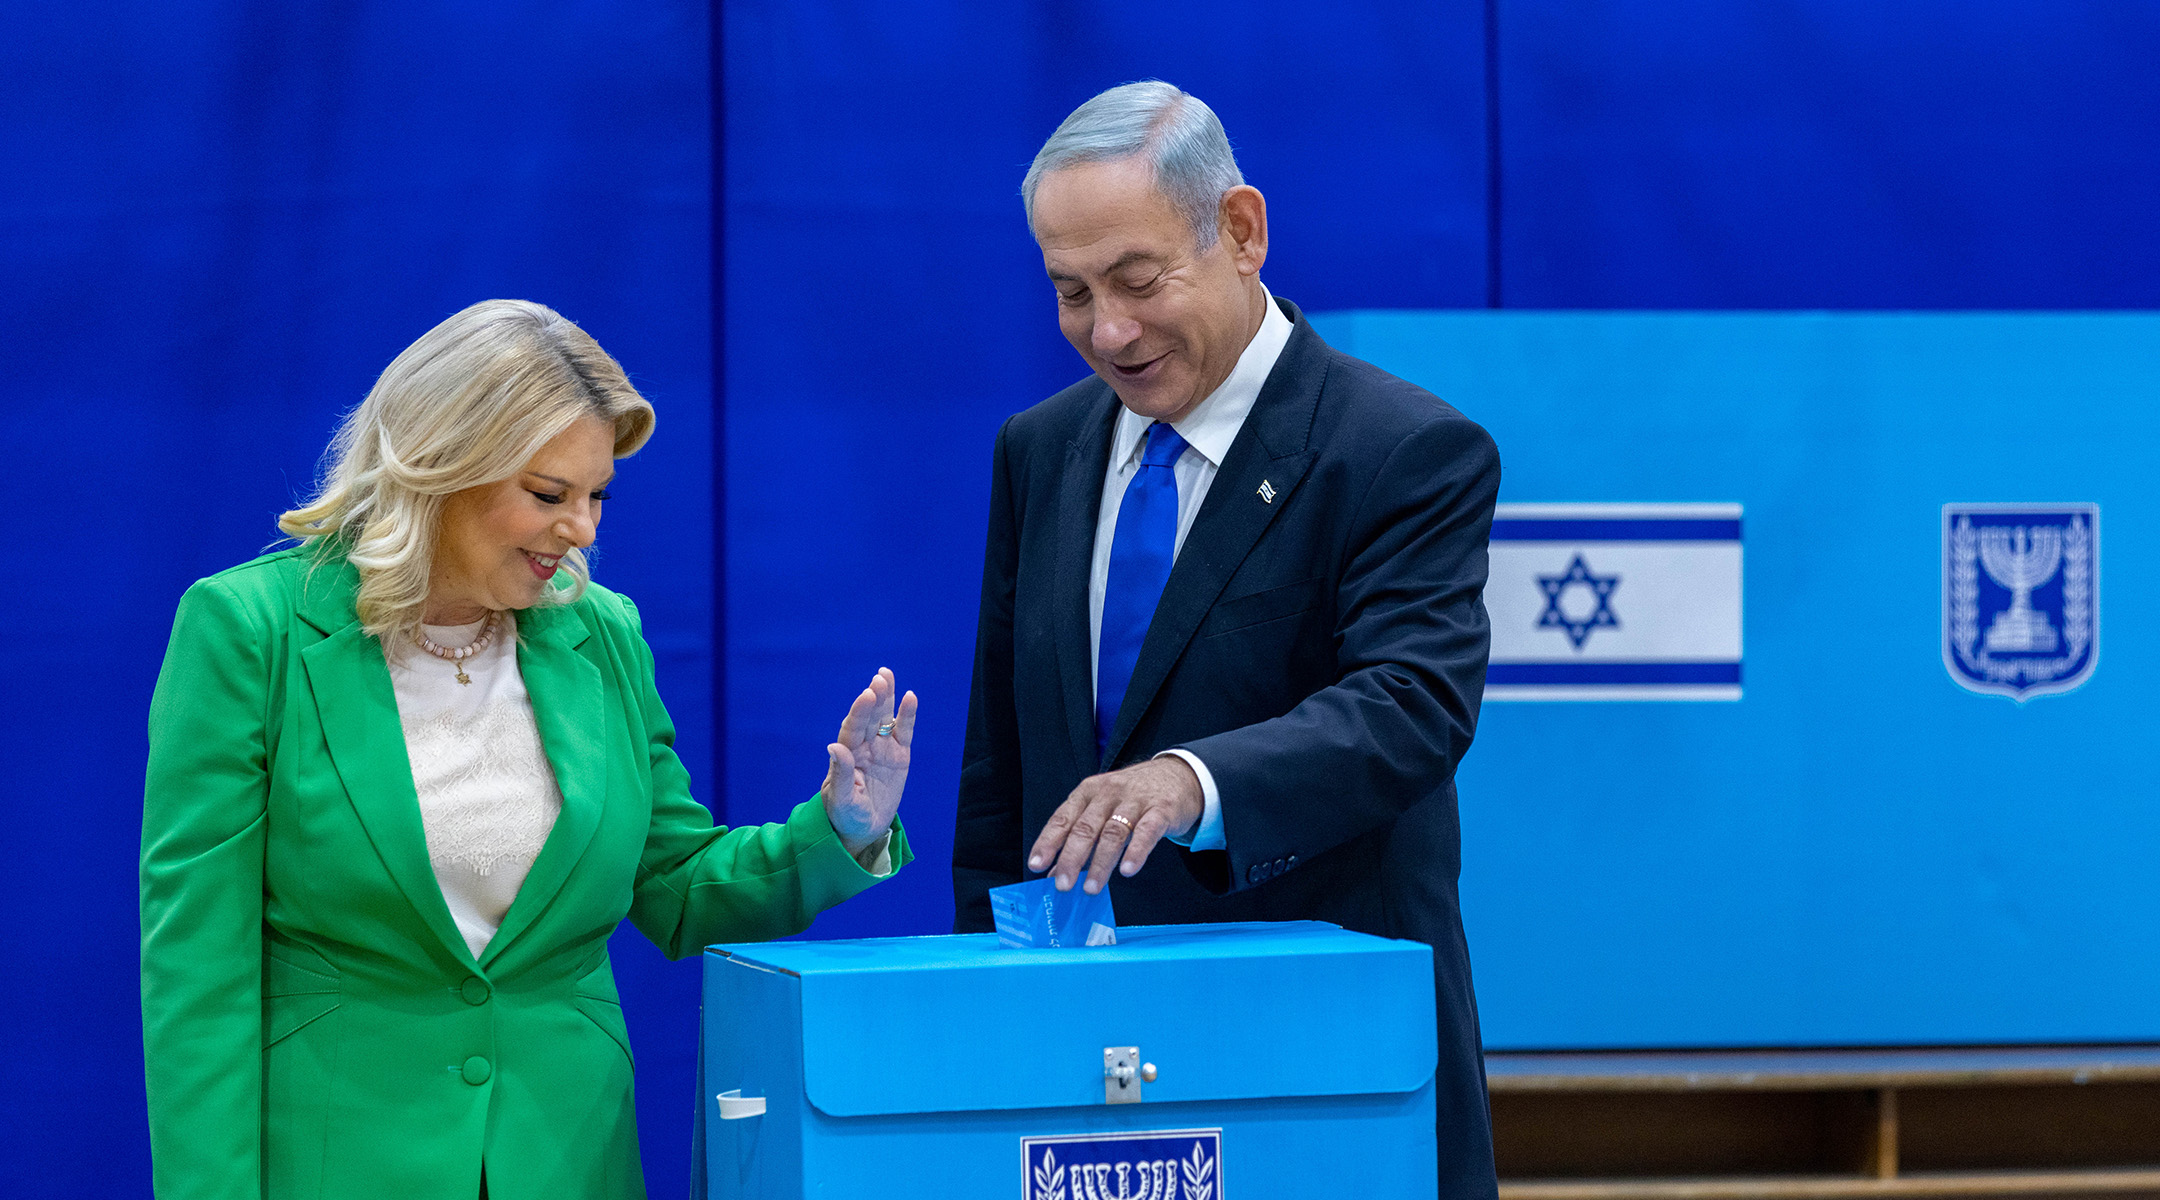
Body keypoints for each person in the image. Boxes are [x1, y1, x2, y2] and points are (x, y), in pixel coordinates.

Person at [141, 299, 917, 1199]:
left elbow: (672, 886)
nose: (583, 529)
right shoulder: (250, 631)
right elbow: (199, 979)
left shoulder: (602, 633)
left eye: (596, 497)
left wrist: (838, 830)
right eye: (549, 495)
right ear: (440, 465)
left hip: (568, 1162)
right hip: (333, 1161)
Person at [950, 81, 1501, 1196]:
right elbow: (1003, 772)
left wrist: (1188, 782)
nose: (1108, 330)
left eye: (1139, 280)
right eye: (1070, 292)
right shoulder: (1040, 450)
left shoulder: (1401, 449)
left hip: (1315, 1058)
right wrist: (981, 1001)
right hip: (1080, 1067)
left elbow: (1410, 708)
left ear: (1241, 232)